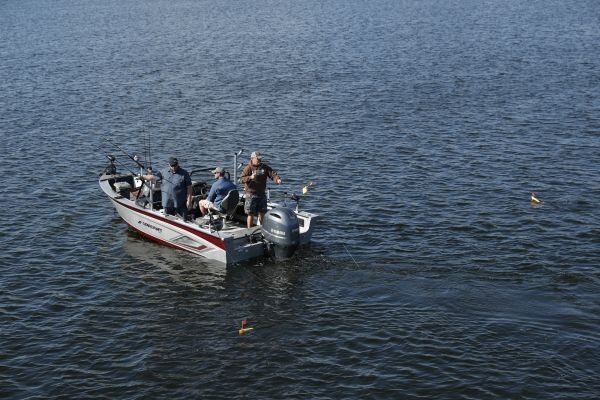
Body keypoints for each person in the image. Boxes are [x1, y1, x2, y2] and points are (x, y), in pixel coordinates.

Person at [239, 151, 282, 228]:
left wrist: (277, 179)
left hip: (261, 194)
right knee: (250, 213)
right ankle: (249, 229)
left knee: (262, 212)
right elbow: (242, 179)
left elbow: (272, 174)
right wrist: (250, 177)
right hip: (251, 194)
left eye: (260, 159)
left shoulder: (264, 167)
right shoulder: (248, 168)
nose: (259, 160)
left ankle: (262, 228)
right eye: (257, 159)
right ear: (252, 159)